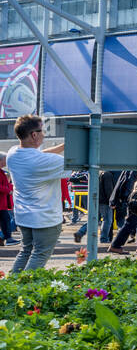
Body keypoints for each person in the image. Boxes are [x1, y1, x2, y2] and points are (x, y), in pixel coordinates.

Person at [7, 115, 66, 271]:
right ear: (34, 135)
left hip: (23, 216)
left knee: (25, 252)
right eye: (43, 131)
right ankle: (22, 291)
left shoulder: (13, 154)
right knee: (39, 255)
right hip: (45, 219)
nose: (44, 134)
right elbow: (77, 163)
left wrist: (63, 146)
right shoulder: (46, 162)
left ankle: (9, 289)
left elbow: (41, 155)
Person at [0, 155, 13, 245]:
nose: (6, 161)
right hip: (1, 202)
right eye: (4, 159)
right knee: (5, 220)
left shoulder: (1, 171)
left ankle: (5, 238)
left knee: (5, 220)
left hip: (2, 202)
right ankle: (8, 238)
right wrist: (8, 190)